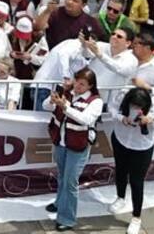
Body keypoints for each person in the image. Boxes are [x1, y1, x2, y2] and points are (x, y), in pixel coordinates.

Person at [44, 67, 104, 232]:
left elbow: (85, 119)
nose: (77, 86)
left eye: (82, 84)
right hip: (61, 142)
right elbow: (46, 107)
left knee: (71, 181)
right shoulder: (67, 92)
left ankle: (67, 218)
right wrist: (52, 100)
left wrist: (66, 107)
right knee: (62, 176)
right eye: (76, 81)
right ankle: (59, 203)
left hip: (78, 145)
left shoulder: (96, 101)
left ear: (90, 86)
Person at [109, 87, 154, 234]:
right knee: (120, 171)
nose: (135, 109)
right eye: (133, 106)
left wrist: (151, 121)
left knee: (137, 181)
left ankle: (136, 217)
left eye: (139, 107)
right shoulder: (122, 95)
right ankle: (120, 197)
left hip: (142, 147)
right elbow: (111, 109)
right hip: (120, 139)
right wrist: (122, 118)